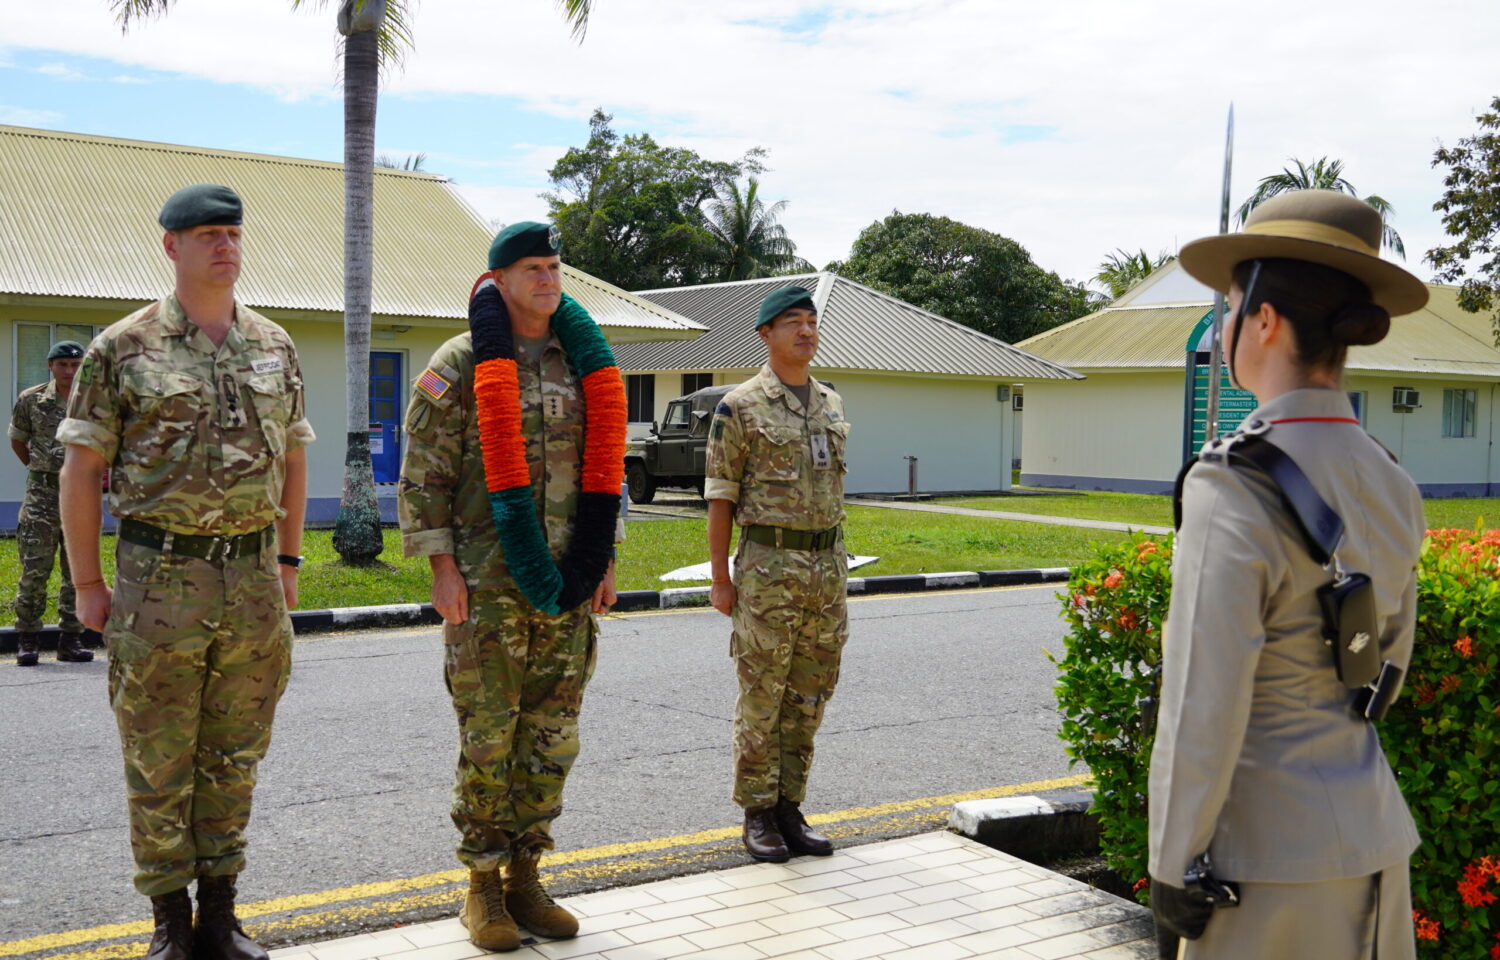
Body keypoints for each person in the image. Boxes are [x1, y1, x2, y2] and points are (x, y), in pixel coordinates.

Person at [1148, 190, 1429, 959]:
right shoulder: (1391, 477)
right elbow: (1386, 666)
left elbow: (1205, 694)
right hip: (1373, 842)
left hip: (1265, 863)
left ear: (1263, 321)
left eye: (1232, 303)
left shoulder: (1233, 480)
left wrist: (1171, 861)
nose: (1227, 322)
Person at [58, 183, 313, 960]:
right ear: (171, 246)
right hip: (157, 580)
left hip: (252, 582)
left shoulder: (273, 345)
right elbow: (79, 470)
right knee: (158, 755)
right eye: (205, 234)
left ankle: (221, 914)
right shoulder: (122, 348)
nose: (223, 246)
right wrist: (89, 585)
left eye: (232, 232)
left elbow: (295, 458)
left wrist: (291, 560)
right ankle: (170, 921)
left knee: (236, 754)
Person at [399, 221, 625, 952]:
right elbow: (424, 472)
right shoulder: (461, 363)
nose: (548, 279)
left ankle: (528, 877)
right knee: (489, 738)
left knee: (553, 738)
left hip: (567, 582)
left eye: (555, 266)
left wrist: (604, 559)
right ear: (498, 280)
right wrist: (439, 566)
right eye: (532, 267)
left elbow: (605, 471)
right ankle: (481, 890)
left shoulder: (583, 363)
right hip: (487, 585)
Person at [704, 286, 851, 863]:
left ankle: (791, 806)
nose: (805, 332)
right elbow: (720, 497)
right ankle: (758, 811)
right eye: (792, 322)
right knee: (762, 696)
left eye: (811, 322)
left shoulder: (832, 403)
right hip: (768, 569)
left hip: (826, 569)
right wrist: (721, 578)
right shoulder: (739, 407)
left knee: (811, 695)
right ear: (765, 335)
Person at [10, 340, 91, 665]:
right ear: (50, 366)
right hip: (41, 497)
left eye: (75, 365)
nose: (69, 371)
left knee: (78, 574)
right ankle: (27, 641)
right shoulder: (31, 400)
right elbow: (19, 440)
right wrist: (40, 468)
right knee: (34, 570)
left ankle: (70, 641)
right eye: (62, 365)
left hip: (80, 497)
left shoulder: (94, 400)